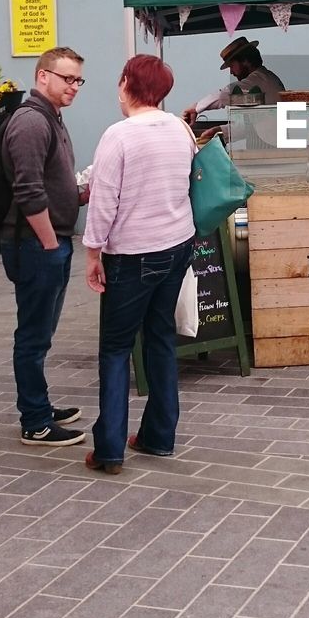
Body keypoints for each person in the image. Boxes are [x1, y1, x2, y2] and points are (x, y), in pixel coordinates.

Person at [84, 55, 195, 474]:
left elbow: (103, 200)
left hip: (132, 254)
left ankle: (110, 448)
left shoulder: (119, 135)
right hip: (177, 243)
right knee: (160, 337)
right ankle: (158, 436)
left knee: (115, 348)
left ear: (126, 82)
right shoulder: (179, 129)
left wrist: (92, 253)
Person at [1, 46, 87, 446]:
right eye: (67, 78)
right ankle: (34, 420)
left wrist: (79, 193)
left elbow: (51, 183)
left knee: (42, 334)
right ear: (43, 77)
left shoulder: (52, 118)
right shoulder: (31, 123)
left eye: (78, 80)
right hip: (37, 246)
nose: (74, 87)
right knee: (33, 336)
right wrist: (52, 245)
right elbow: (29, 191)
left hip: (50, 243)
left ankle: (38, 403)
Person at [182, 37, 285, 125]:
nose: (231, 72)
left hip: (270, 147)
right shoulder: (265, 79)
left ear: (245, 61)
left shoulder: (259, 80)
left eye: (232, 65)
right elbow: (256, 124)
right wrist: (220, 129)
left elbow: (224, 95)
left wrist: (196, 107)